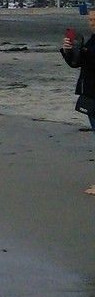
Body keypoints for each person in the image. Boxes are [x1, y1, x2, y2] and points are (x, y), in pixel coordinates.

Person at [61, 10, 95, 194]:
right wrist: (69, 50)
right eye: (90, 19)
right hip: (90, 94)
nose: (92, 22)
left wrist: (82, 50)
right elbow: (77, 62)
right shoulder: (91, 40)